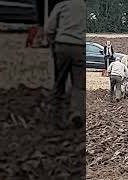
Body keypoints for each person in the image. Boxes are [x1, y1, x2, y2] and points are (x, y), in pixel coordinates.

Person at [45, 0, 84, 129]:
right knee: (79, 84)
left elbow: (49, 28)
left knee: (60, 81)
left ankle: (57, 117)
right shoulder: (85, 7)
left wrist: (52, 43)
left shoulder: (62, 5)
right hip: (80, 48)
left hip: (62, 46)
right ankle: (76, 112)